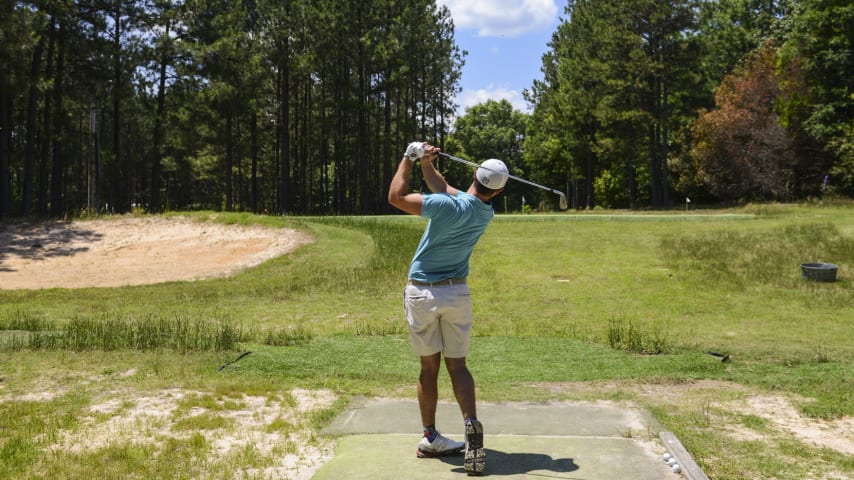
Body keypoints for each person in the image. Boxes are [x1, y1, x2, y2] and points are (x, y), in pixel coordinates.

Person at [387, 141, 509, 476]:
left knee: (429, 369)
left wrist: (408, 158)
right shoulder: (484, 211)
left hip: (423, 294)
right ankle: (470, 423)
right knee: (458, 367)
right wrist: (427, 163)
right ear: (496, 192)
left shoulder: (444, 206)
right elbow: (443, 187)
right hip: (457, 295)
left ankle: (430, 437)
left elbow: (396, 197)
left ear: (474, 173)